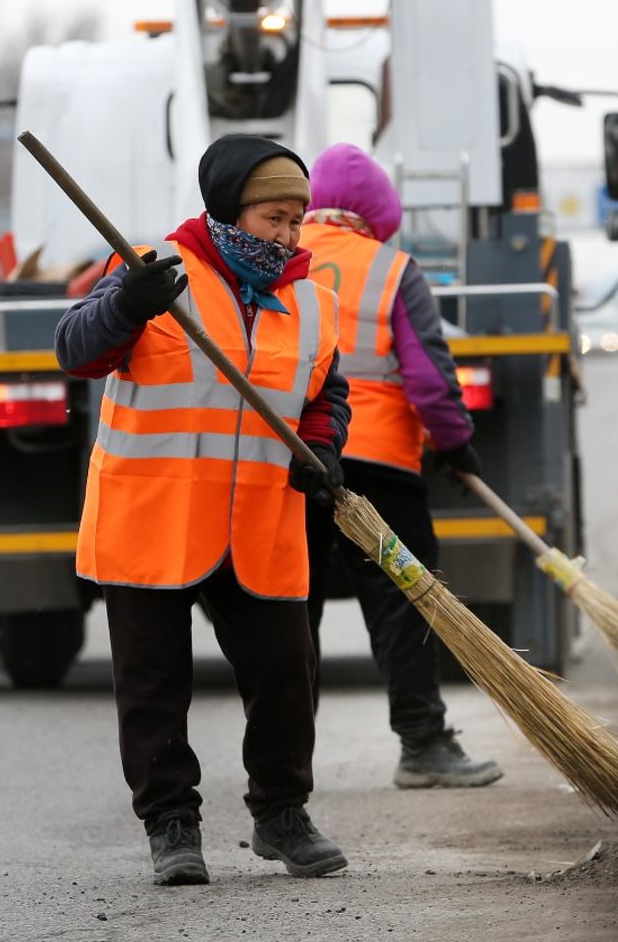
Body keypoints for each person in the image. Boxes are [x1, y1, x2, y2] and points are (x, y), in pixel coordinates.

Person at [54, 134, 352, 887]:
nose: (287, 234)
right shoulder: (153, 271)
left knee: (287, 670)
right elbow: (74, 350)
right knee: (153, 682)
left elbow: (324, 395)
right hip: (150, 516)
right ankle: (171, 824)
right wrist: (125, 305)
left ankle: (283, 815)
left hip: (260, 521)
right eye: (273, 217)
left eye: (296, 218)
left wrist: (324, 448)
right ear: (228, 209)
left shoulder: (313, 300)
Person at [297, 143, 502, 789]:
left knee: (288, 612)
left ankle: (283, 764)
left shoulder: (276, 258)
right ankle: (423, 745)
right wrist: (453, 440)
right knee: (404, 602)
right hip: (378, 464)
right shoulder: (392, 269)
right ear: (380, 212)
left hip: (293, 462)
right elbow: (428, 377)